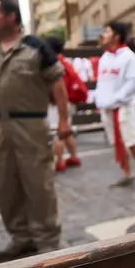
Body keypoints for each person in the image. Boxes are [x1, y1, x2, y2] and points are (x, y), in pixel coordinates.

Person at [0, 0, 71, 262]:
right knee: (6, 185)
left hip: (31, 124)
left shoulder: (35, 47)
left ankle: (47, 239)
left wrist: (64, 120)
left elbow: (57, 84)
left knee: (38, 183)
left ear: (12, 17)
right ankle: (21, 238)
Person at [94, 22, 135, 187]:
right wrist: (100, 100)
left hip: (123, 106)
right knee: (116, 142)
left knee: (131, 141)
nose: (103, 35)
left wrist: (116, 99)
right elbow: (102, 82)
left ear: (116, 36)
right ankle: (127, 173)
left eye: (107, 32)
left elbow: (132, 83)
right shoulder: (105, 57)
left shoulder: (128, 57)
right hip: (108, 108)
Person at [45, 36, 86, 171]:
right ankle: (73, 156)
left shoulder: (53, 63)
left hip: (56, 102)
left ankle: (59, 160)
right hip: (68, 101)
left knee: (57, 133)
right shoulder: (66, 62)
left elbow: (56, 85)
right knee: (67, 130)